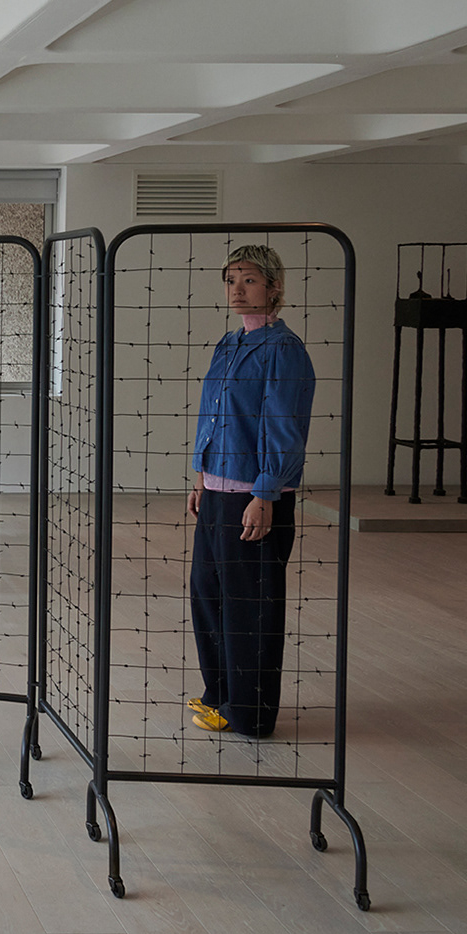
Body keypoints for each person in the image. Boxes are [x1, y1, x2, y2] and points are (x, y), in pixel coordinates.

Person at [185, 244, 315, 738]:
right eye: (231, 280)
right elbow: (213, 414)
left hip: (255, 496)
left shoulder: (283, 349)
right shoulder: (229, 343)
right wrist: (202, 474)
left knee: (250, 606)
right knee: (208, 594)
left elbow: (284, 428)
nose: (237, 290)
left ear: (274, 287)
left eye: (249, 280)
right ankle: (220, 694)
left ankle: (250, 714)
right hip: (217, 490)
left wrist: (265, 494)